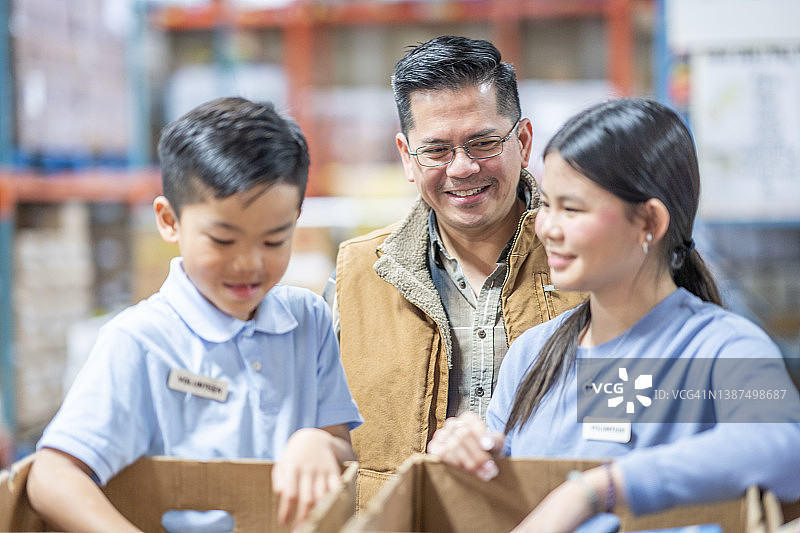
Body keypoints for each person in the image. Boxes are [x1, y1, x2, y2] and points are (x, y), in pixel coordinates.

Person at [427, 97, 800, 532]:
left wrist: (593, 490)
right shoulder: (532, 354)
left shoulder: (723, 347)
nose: (547, 227)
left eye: (572, 208)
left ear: (649, 222)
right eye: (546, 204)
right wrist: (470, 453)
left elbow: (783, 447)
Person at [26, 97, 362, 532]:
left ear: (295, 220)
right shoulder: (141, 341)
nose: (249, 263)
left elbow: (341, 451)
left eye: (274, 240)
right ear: (169, 221)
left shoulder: (307, 319)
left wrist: (319, 444)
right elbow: (52, 475)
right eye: (223, 241)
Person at [322, 35, 584, 507]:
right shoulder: (356, 277)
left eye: (483, 143)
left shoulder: (591, 267)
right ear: (407, 157)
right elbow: (324, 434)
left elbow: (631, 432)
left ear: (523, 142)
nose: (462, 168)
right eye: (436, 150)